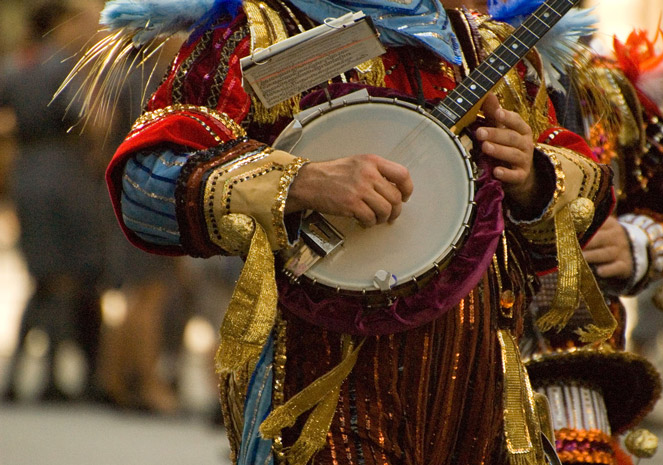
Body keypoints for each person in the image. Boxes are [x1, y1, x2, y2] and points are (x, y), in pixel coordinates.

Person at [68, 0, 614, 463]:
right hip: (323, 378)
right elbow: (146, 184)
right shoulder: (259, 29)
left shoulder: (484, 47)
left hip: (480, 386)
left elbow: (586, 193)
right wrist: (301, 181)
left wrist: (534, 176)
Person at [474, 1, 663, 464]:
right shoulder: (411, 59)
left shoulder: (599, 81)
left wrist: (637, 242)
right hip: (438, 363)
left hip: (572, 376)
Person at [0, 0, 106, 402]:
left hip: (27, 174)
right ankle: (51, 375)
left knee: (42, 276)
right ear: (62, 24)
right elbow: (92, 121)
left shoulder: (17, 63)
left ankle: (19, 376)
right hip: (66, 176)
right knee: (66, 276)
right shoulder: (65, 66)